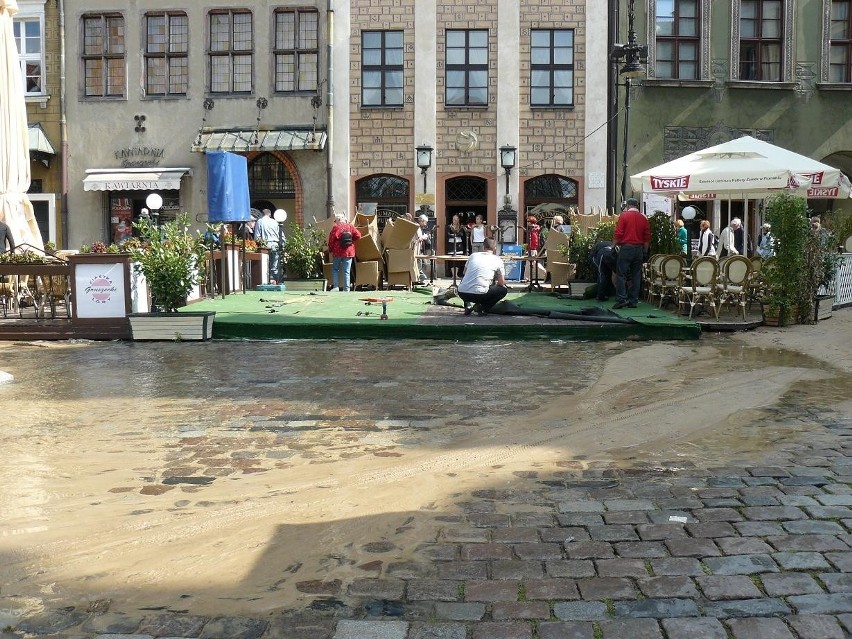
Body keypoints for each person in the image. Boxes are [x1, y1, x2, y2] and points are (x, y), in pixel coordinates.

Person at [612, 198, 651, 309]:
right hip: (639, 249)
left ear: (628, 206)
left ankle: (621, 299)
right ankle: (633, 300)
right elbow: (647, 237)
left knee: (621, 274)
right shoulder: (644, 218)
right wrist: (645, 251)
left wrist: (612, 246)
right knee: (636, 275)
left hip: (626, 248)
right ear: (637, 206)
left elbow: (618, 233)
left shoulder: (624, 216)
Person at [457, 237, 507, 315]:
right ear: (495, 248)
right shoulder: (498, 260)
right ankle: (482, 308)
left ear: (483, 247)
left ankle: (467, 305)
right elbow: (501, 283)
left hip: (462, 292)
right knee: (503, 290)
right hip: (481, 294)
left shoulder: (473, 256)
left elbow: (465, 273)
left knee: (466, 280)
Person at [327, 212, 362, 292]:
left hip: (337, 252)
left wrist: (330, 250)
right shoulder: (350, 226)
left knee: (335, 269)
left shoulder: (335, 227)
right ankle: (347, 289)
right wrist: (352, 240)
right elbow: (359, 235)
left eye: (335, 221)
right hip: (348, 252)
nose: (335, 222)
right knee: (346, 271)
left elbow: (331, 240)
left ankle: (336, 287)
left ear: (338, 220)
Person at [254, 209, 282, 282]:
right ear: (270, 215)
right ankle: (279, 282)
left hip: (265, 246)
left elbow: (257, 237)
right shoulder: (275, 222)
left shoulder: (260, 221)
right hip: (275, 245)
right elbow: (281, 235)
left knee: (265, 267)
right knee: (274, 267)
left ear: (263, 214)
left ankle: (267, 282)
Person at [446, 214, 468, 282]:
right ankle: (453, 275)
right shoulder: (449, 226)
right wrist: (455, 234)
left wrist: (455, 234)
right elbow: (448, 234)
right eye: (453, 219)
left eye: (456, 219)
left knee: (458, 259)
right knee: (452, 260)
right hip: (451, 244)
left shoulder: (461, 227)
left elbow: (461, 234)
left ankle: (456, 274)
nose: (454, 221)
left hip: (459, 244)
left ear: (458, 220)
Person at [416, 213, 432, 284]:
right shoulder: (417, 227)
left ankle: (421, 279)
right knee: (419, 264)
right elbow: (418, 239)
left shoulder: (419, 228)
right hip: (417, 249)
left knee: (421, 263)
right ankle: (421, 279)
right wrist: (424, 237)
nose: (425, 224)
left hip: (420, 249)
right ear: (421, 221)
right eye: (425, 222)